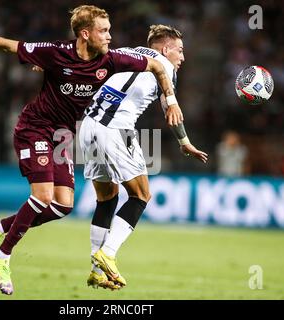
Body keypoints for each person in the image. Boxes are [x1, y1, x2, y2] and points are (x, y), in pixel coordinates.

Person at [0, 5, 182, 295]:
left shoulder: (111, 59)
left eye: (109, 30)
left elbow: (155, 66)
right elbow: (5, 44)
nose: (110, 36)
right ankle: (3, 256)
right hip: (35, 127)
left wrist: (171, 98)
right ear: (85, 33)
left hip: (63, 135)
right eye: (104, 31)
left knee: (62, 205)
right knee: (42, 196)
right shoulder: (55, 53)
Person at [79, 24, 208, 290]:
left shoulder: (124, 51)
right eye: (180, 51)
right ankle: (108, 254)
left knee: (107, 199)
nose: (182, 58)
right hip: (117, 130)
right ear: (165, 48)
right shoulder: (166, 69)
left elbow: (89, 62)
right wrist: (185, 142)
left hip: (87, 126)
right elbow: (169, 109)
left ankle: (96, 270)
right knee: (140, 195)